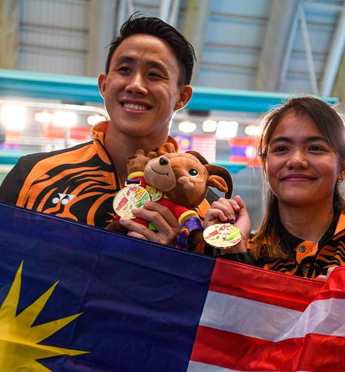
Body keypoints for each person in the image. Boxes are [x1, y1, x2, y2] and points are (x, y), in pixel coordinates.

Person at [0, 14, 209, 246]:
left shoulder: (204, 209)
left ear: (182, 97)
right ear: (104, 84)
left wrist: (176, 259)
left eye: (154, 75)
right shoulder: (31, 174)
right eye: (124, 69)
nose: (135, 85)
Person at [204, 96, 345, 279]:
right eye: (282, 149)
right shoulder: (243, 250)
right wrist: (233, 252)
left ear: (342, 167)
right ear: (265, 165)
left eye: (315, 148)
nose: (296, 161)